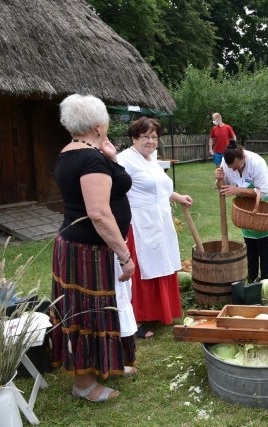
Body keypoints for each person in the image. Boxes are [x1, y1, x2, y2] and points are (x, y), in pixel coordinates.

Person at [50, 94, 135, 401]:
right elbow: (98, 213)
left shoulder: (72, 152)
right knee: (84, 314)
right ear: (99, 125)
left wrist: (110, 157)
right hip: (83, 251)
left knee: (98, 311)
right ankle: (84, 384)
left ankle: (102, 365)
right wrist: (125, 255)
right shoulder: (88, 158)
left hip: (79, 248)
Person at [117, 117, 193, 338]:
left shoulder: (151, 159)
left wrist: (178, 197)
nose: (150, 141)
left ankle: (160, 312)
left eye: (154, 137)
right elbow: (116, 193)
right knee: (140, 270)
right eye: (145, 137)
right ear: (134, 138)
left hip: (160, 221)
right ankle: (135, 320)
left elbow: (159, 189)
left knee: (163, 264)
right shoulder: (124, 161)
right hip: (139, 224)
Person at [214, 140, 268, 283]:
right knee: (249, 240)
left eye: (238, 167)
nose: (234, 171)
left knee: (263, 241)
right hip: (244, 202)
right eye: (232, 168)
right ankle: (251, 275)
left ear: (243, 158)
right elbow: (222, 186)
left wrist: (237, 190)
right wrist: (219, 179)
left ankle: (266, 277)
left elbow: (262, 192)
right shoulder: (226, 163)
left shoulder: (257, 162)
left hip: (263, 200)